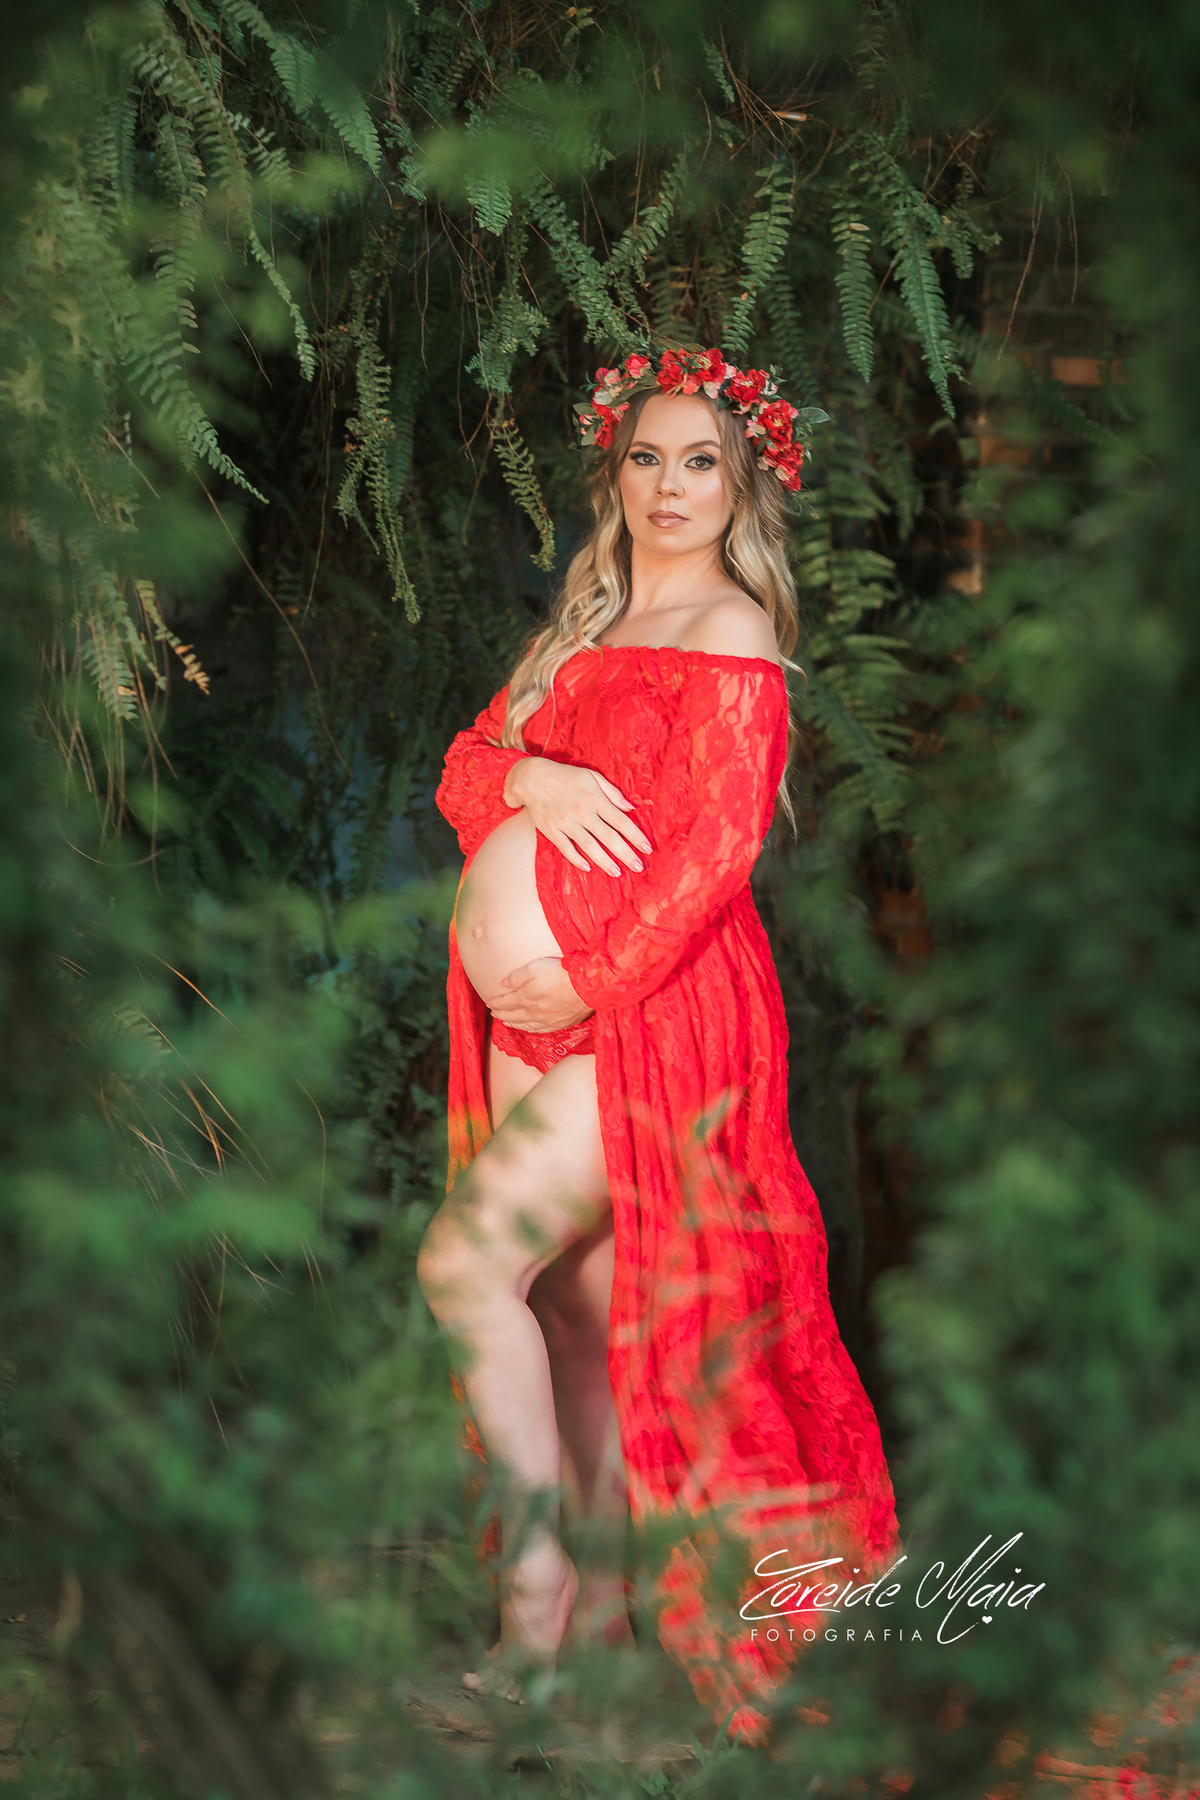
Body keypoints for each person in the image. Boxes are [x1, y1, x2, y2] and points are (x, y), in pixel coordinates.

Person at [419, 347, 901, 1745]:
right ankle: (599, 1632)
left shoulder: (734, 631)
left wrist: (579, 983)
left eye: (702, 462)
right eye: (647, 457)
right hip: (534, 1018)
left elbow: (710, 861)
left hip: (648, 1010)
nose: (670, 486)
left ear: (744, 484)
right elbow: (463, 771)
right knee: (579, 1316)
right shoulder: (587, 623)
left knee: (465, 1265)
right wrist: (533, 775)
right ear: (614, 474)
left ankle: (539, 1605)